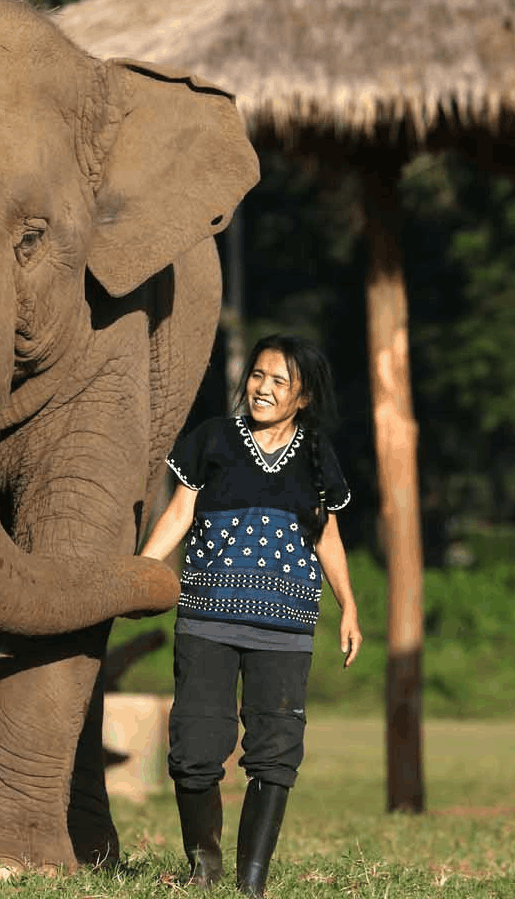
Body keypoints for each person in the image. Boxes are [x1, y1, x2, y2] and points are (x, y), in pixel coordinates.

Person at [139, 333, 362, 898]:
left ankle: (252, 883)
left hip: (286, 630)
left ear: (303, 396)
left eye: (279, 381)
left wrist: (349, 607)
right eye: (258, 376)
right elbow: (180, 510)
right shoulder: (213, 437)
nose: (263, 389)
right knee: (193, 746)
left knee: (276, 750)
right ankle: (204, 866)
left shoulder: (316, 452)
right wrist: (141, 570)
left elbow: (328, 535)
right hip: (206, 618)